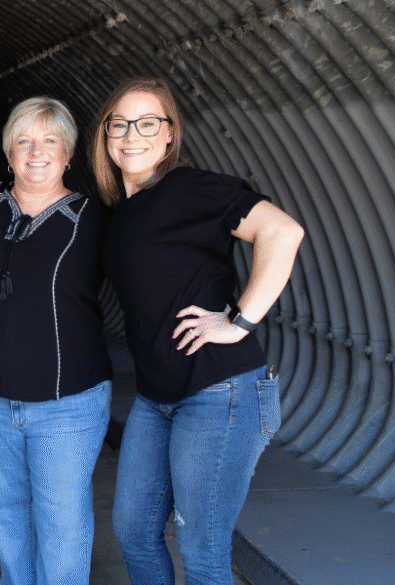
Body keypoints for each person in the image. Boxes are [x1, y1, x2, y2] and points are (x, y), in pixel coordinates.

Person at [90, 77, 304, 585]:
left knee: (202, 551)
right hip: (156, 398)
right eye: (119, 124)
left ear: (169, 135)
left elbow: (282, 231)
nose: (131, 135)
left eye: (147, 123)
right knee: (134, 532)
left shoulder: (189, 188)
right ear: (104, 136)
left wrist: (239, 321)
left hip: (219, 392)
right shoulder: (121, 213)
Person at [0, 96, 113, 585]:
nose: (36, 152)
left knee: (61, 526)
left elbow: (152, 274)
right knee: (6, 518)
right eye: (23, 140)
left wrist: (229, 317)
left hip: (67, 402)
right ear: (8, 152)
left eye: (50, 141)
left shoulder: (94, 220)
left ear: (68, 153)